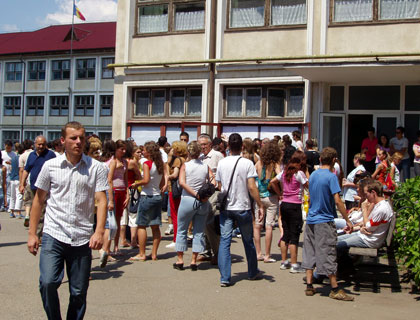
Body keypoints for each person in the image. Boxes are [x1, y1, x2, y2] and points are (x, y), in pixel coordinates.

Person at [27, 121, 108, 320]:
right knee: (48, 283)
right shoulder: (50, 165)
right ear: (63, 140)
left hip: (81, 237)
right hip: (53, 234)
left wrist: (98, 231)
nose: (78, 142)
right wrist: (32, 234)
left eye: (82, 137)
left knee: (79, 292)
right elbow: (38, 200)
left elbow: (102, 200)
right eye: (73, 138)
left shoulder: (96, 167)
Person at [302, 147, 354, 301]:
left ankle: (310, 285)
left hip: (311, 219)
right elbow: (338, 200)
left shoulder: (313, 176)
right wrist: (348, 220)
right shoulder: (331, 177)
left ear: (319, 160)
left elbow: (310, 197)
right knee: (328, 252)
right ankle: (335, 288)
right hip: (324, 220)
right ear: (334, 161)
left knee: (309, 250)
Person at [216, 133, 264, 287]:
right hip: (242, 206)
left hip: (226, 207)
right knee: (248, 240)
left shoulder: (222, 163)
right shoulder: (247, 163)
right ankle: (252, 271)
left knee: (225, 241)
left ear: (228, 146)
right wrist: (259, 204)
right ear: (242, 146)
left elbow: (219, 185)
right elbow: (251, 186)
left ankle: (225, 277)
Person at [335, 180, 393, 273]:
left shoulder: (382, 209)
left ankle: (344, 269)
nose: (366, 197)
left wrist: (364, 210)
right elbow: (366, 225)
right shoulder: (379, 205)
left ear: (373, 193)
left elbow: (369, 227)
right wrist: (357, 228)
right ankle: (346, 268)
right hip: (364, 235)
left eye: (366, 194)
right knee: (335, 241)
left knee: (338, 245)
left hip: (369, 240)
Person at [173, 141, 214, 271]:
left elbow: (182, 182)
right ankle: (194, 260)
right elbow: (213, 182)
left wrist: (195, 194)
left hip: (187, 199)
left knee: (182, 229)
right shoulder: (205, 166)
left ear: (189, 152)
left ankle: (180, 260)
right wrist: (204, 194)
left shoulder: (185, 165)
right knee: (199, 232)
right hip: (202, 201)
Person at [271, 151, 308, 273]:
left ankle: (284, 261)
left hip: (284, 204)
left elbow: (272, 182)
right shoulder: (299, 173)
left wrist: (280, 193)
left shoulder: (284, 172)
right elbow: (308, 185)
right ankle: (294, 264)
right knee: (294, 235)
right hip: (295, 205)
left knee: (285, 234)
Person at [130, 141, 167, 261]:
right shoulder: (160, 163)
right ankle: (154, 254)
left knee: (141, 225)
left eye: (144, 150)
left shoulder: (147, 163)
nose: (142, 151)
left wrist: (136, 183)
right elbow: (162, 183)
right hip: (157, 196)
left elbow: (145, 180)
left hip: (147, 195)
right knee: (155, 226)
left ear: (149, 152)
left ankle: (142, 253)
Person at [20, 136, 56, 237]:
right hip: (32, 186)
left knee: (41, 211)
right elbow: (26, 170)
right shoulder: (31, 155)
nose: (41, 146)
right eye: (39, 144)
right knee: (32, 210)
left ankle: (38, 234)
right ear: (35, 144)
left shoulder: (50, 155)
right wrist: (22, 184)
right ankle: (34, 230)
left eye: (43, 144)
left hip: (45, 188)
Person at [253, 141, 281, 263]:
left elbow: (253, 177)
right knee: (269, 225)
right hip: (271, 197)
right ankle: (267, 255)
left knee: (258, 225)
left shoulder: (258, 163)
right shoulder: (275, 164)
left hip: (259, 196)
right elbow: (281, 176)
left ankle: (258, 253)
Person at [198, 134, 224, 264]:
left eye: (204, 144)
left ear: (210, 144)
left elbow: (222, 172)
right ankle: (206, 251)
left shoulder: (217, 155)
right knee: (202, 223)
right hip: (201, 192)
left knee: (210, 223)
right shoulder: (200, 157)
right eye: (200, 145)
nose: (202, 147)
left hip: (213, 192)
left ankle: (217, 253)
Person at [166, 141, 187, 248]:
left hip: (174, 190)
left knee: (175, 214)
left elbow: (174, 175)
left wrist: (167, 176)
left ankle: (176, 239)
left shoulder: (178, 160)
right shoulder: (186, 159)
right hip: (182, 191)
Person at [18, 139, 33, 227]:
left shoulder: (22, 156)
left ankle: (27, 214)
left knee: (27, 200)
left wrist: (21, 183)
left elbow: (21, 170)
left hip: (27, 180)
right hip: (35, 179)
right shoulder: (34, 154)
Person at [2, 140, 18, 211]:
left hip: (9, 173)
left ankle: (7, 205)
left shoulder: (13, 154)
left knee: (8, 190)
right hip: (2, 172)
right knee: (1, 189)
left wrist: (10, 163)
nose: (7, 149)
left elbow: (15, 163)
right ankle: (2, 204)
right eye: (6, 147)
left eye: (9, 147)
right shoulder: (2, 153)